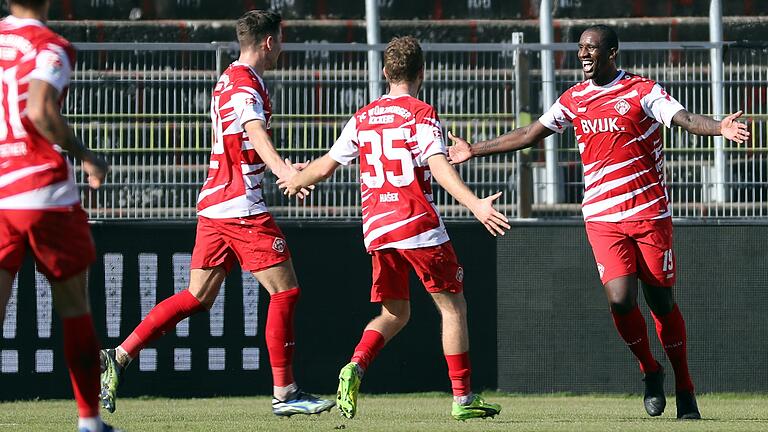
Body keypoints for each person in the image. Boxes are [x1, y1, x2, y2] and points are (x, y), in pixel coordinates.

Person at [448, 25, 750, 420]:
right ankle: (649, 370)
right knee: (621, 299)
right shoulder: (574, 98)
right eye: (580, 49)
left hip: (649, 215)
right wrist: (475, 148)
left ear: (613, 53)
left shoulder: (643, 92)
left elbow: (686, 118)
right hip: (603, 219)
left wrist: (719, 127)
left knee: (661, 302)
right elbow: (530, 132)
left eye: (591, 48)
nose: (583, 55)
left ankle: (685, 386)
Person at [98, 10, 334, 417]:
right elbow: (255, 133)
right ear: (268, 42)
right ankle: (285, 392)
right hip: (241, 207)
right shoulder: (245, 85)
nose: (282, 46)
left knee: (196, 297)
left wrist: (283, 167)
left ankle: (118, 355)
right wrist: (284, 174)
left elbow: (241, 144)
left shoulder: (228, 78)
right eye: (281, 38)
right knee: (285, 290)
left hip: (215, 204)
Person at [279, 36, 510, 421]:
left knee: (395, 313)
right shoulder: (421, 113)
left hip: (378, 230)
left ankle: (355, 365)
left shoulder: (363, 116)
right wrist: (475, 204)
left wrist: (295, 179)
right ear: (422, 72)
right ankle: (464, 399)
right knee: (453, 308)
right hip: (417, 225)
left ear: (385, 73)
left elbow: (326, 165)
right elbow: (437, 165)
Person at [0, 1, 119, 431]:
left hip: (1, 192)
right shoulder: (49, 45)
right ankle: (89, 421)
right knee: (73, 306)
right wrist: (86, 157)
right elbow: (40, 109)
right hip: (41, 191)